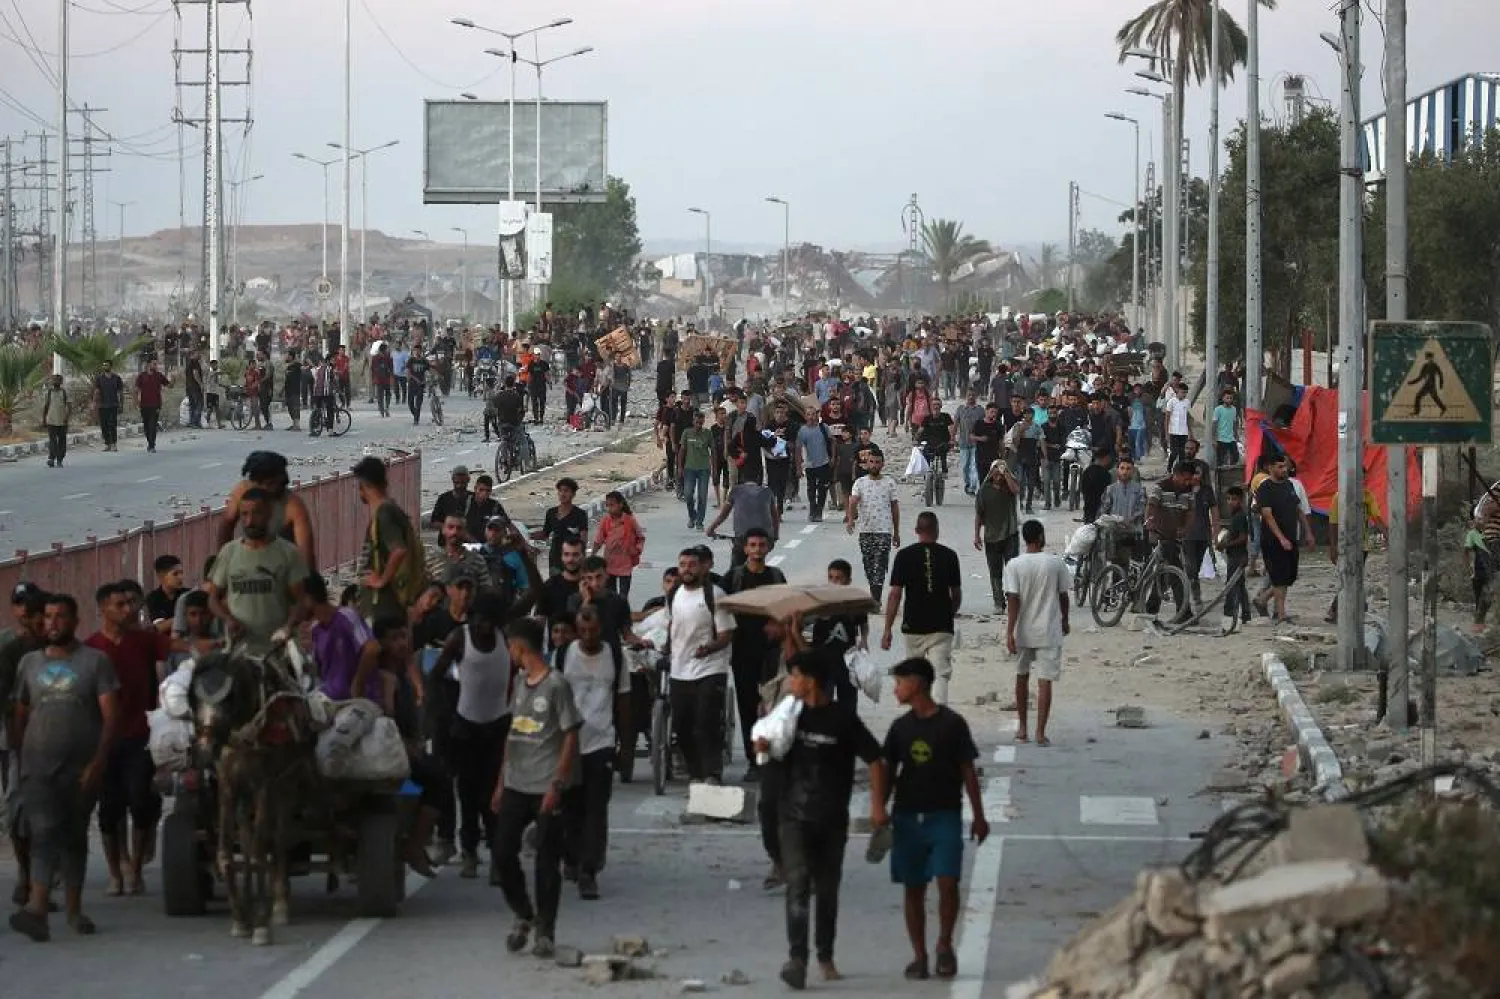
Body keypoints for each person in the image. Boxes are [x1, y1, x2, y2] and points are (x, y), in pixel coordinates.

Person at [762, 650, 885, 990]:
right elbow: (766, 750)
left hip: (832, 818)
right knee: (798, 885)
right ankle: (797, 958)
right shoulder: (789, 716)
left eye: (796, 676)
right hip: (793, 817)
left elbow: (876, 759)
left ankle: (826, 956)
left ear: (811, 681)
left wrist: (878, 808)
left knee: (827, 890)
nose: (791, 682)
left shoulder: (842, 719)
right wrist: (763, 741)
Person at [10, 593, 120, 941]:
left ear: (75, 622)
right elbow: (20, 715)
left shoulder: (95, 662)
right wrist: (19, 758)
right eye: (48, 616)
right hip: (38, 770)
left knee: (73, 838)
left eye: (60, 617)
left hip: (80, 770)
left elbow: (110, 717)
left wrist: (98, 762)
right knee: (42, 832)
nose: (52, 622)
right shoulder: (29, 664)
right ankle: (37, 908)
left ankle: (74, 910)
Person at [875, 656, 988, 982]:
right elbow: (888, 771)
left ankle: (943, 944)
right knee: (913, 888)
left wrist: (979, 817)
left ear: (918, 684)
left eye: (900, 682)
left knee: (947, 881)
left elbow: (968, 770)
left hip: (945, 815)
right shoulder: (900, 728)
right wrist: (879, 810)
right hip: (907, 817)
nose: (895, 689)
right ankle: (920, 955)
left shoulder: (953, 725)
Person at [491, 617, 582, 959]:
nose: (509, 653)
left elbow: (570, 734)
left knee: (547, 860)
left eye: (511, 647)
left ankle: (546, 928)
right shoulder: (518, 682)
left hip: (546, 783)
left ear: (520, 647)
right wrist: (501, 782)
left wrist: (558, 782)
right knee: (502, 853)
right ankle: (523, 912)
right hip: (516, 781)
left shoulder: (557, 686)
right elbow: (512, 734)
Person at [84, 582, 171, 897]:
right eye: (119, 605)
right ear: (103, 609)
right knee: (109, 808)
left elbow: (178, 647)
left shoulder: (146, 640)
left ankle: (134, 866)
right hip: (104, 741)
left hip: (140, 736)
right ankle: (115, 870)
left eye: (130, 603)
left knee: (141, 801)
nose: (128, 609)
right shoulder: (90, 648)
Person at [435, 590, 519, 880]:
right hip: (465, 726)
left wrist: (524, 555)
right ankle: (469, 851)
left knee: (494, 797)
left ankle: (498, 855)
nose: (483, 627)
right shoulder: (459, 639)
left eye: (489, 622)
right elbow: (436, 677)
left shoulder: (504, 638)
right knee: (468, 794)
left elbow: (533, 595)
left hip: (497, 725)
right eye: (479, 620)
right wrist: (448, 718)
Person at [556, 604, 629, 900]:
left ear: (601, 628)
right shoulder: (564, 656)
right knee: (571, 807)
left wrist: (624, 745)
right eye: (582, 631)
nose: (587, 636)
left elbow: (623, 700)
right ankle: (571, 858)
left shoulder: (614, 655)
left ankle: (589, 869)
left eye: (592, 630)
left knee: (596, 809)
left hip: (602, 741)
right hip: (570, 743)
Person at [205, 487, 310, 656]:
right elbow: (213, 598)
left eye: (256, 514)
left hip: (278, 650)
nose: (249, 521)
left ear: (269, 514)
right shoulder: (229, 552)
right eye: (244, 515)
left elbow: (301, 601)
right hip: (239, 650)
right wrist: (228, 620)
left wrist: (288, 627)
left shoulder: (288, 553)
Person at [665, 547, 735, 782]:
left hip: (710, 668)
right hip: (680, 670)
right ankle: (696, 771)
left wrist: (709, 648)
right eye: (682, 564)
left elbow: (726, 634)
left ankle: (712, 772)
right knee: (681, 726)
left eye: (692, 564)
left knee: (705, 722)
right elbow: (672, 625)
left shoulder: (715, 596)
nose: (686, 569)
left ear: (702, 568)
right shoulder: (674, 594)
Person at [724, 528, 786, 780]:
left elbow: (786, 605)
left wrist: (778, 624)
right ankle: (753, 760)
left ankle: (771, 755)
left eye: (762, 545)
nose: (757, 549)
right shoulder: (734, 577)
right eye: (753, 545)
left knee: (772, 705)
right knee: (748, 705)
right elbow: (721, 606)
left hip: (771, 651)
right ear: (745, 548)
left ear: (768, 547)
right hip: (742, 650)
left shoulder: (775, 575)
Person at [882, 511, 963, 704]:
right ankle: (938, 719)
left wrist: (887, 629)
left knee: (915, 674)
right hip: (941, 627)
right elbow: (956, 594)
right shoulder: (950, 556)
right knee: (940, 674)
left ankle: (918, 718)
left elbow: (895, 594)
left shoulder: (904, 556)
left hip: (913, 626)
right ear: (936, 531)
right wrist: (948, 613)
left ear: (917, 530)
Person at [1003, 520, 1070, 746]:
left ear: (1024, 538)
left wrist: (1009, 631)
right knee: (1045, 681)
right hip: (1048, 630)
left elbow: (1013, 599)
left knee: (1021, 676)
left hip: (1023, 629)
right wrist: (1065, 620)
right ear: (1040, 537)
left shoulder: (1014, 565)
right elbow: (1063, 596)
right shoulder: (1055, 563)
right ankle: (1040, 732)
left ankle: (1022, 728)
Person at [218, 451, 318, 570]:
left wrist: (308, 582)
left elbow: (305, 554)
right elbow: (226, 526)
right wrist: (224, 565)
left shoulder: (293, 506)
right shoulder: (243, 491)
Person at [353, 456, 422, 622]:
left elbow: (398, 550)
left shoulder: (384, 513)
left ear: (364, 485)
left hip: (383, 604)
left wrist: (382, 581)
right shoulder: (390, 510)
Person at [1253, 455, 1312, 624]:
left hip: (1291, 536)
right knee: (1279, 577)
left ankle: (1263, 599)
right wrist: (1281, 538)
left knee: (1289, 576)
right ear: (1270, 468)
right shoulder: (1265, 488)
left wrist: (1308, 532)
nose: (1284, 470)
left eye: (1284, 466)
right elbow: (1268, 515)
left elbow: (1298, 509)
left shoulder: (1289, 485)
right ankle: (1281, 615)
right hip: (1273, 540)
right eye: (1279, 467)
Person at [846, 449, 900, 600]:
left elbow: (895, 507)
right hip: (866, 530)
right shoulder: (860, 483)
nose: (874, 465)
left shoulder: (889, 483)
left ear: (882, 464)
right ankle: (874, 593)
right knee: (869, 566)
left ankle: (876, 599)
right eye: (871, 462)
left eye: (877, 462)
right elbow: (853, 501)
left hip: (884, 531)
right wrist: (851, 519)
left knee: (880, 565)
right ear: (866, 464)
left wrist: (896, 532)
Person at [705, 473, 780, 569]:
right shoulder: (767, 491)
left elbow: (723, 515)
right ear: (758, 478)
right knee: (759, 560)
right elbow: (775, 517)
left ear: (741, 479)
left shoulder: (735, 490)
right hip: (764, 538)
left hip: (742, 539)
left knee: (734, 569)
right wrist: (775, 536)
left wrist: (711, 529)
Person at [973, 459, 1020, 610]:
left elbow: (1015, 490)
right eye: (996, 470)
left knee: (1012, 569)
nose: (998, 474)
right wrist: (976, 535)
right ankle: (998, 602)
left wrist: (1006, 473)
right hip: (991, 536)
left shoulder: (1009, 488)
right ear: (991, 472)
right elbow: (979, 515)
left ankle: (1012, 599)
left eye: (1001, 470)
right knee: (995, 571)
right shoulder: (984, 491)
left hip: (1010, 534)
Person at [590, 491, 645, 598]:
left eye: (612, 505)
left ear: (621, 505)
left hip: (626, 563)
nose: (609, 508)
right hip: (609, 562)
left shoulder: (630, 521)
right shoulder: (606, 521)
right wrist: (592, 555)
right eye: (607, 505)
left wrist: (637, 550)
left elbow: (640, 537)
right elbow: (598, 540)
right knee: (611, 595)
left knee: (623, 595)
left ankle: (622, 612)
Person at [531, 478, 589, 578]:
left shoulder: (580, 514)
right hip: (555, 559)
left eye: (566, 491)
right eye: (560, 491)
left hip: (573, 559)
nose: (562, 494)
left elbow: (583, 538)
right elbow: (545, 533)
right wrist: (526, 535)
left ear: (573, 494)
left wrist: (582, 558)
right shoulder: (551, 513)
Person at [1218, 487, 1253, 634]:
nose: (1231, 502)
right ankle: (1246, 615)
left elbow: (1243, 537)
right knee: (1239, 585)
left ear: (1241, 500)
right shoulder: (1236, 515)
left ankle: (1230, 614)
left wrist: (1225, 544)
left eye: (1234, 499)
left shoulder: (1239, 516)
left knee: (1232, 586)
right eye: (1229, 499)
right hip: (1236, 555)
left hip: (1237, 556)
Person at [678, 408, 716, 530]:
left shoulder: (708, 433)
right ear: (693, 421)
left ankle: (699, 521)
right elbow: (682, 451)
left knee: (702, 496)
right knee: (688, 494)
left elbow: (713, 451)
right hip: (689, 468)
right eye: (697, 422)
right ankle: (692, 516)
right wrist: (679, 466)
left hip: (704, 469)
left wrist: (714, 469)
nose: (699, 425)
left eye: (701, 422)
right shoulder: (686, 433)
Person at [41, 374, 69, 468]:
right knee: (52, 440)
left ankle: (60, 459)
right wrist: (44, 419)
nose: (55, 382)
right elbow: (45, 406)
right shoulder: (48, 393)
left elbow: (69, 406)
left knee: (62, 441)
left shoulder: (64, 392)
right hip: (51, 420)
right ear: (52, 382)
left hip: (62, 420)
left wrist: (67, 417)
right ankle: (51, 459)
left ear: (61, 382)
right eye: (54, 380)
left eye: (58, 380)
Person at [1079, 446, 1113, 524]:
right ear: (1105, 458)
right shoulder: (1106, 474)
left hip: (1088, 510)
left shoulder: (1087, 471)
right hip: (1101, 511)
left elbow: (1083, 490)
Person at [1164, 382, 1191, 472]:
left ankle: (1180, 470)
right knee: (1174, 452)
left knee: (1182, 453)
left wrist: (1190, 432)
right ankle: (1169, 467)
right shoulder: (1171, 402)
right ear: (1177, 391)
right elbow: (1167, 418)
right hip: (1173, 431)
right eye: (1182, 392)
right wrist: (1167, 433)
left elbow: (1187, 418)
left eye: (1185, 393)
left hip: (1183, 431)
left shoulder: (1187, 402)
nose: (1184, 394)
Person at [1212, 389, 1240, 466]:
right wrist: (1214, 439)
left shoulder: (1234, 409)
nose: (1229, 400)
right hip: (1221, 438)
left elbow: (1234, 423)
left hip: (1231, 438)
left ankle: (1231, 472)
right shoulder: (1218, 409)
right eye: (1227, 398)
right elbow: (1214, 424)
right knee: (1220, 459)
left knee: (1235, 456)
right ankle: (1220, 476)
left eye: (1231, 398)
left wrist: (1236, 435)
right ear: (1223, 398)